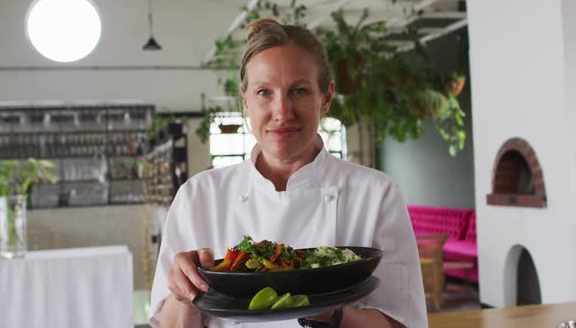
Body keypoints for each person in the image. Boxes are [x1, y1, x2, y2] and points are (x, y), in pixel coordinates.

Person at [149, 18, 427, 328]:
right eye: (264, 92)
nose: (282, 112)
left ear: (326, 97)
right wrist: (184, 293)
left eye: (298, 91)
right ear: (246, 102)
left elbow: (402, 323)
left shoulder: (375, 194)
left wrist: (326, 311)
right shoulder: (197, 196)